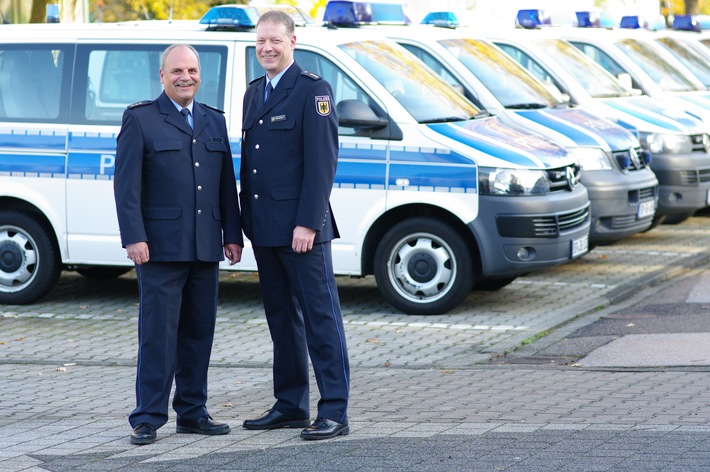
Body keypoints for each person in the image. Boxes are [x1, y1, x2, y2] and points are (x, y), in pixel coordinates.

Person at [113, 43, 243, 446]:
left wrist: (232, 236)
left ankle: (192, 411)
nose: (186, 77)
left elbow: (225, 185)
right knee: (158, 335)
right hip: (160, 249)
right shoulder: (141, 119)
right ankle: (148, 416)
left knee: (198, 333)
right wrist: (134, 236)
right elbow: (126, 186)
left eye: (192, 70)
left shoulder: (213, 120)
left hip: (205, 247)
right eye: (177, 71)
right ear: (162, 76)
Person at [239, 10, 350, 441]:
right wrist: (244, 226)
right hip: (266, 230)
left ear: (292, 42)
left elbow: (322, 165)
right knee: (281, 320)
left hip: (303, 232)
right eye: (260, 42)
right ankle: (290, 405)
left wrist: (307, 223)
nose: (267, 48)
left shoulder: (312, 91)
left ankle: (335, 411)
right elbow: (251, 166)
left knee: (321, 319)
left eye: (275, 41)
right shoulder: (253, 93)